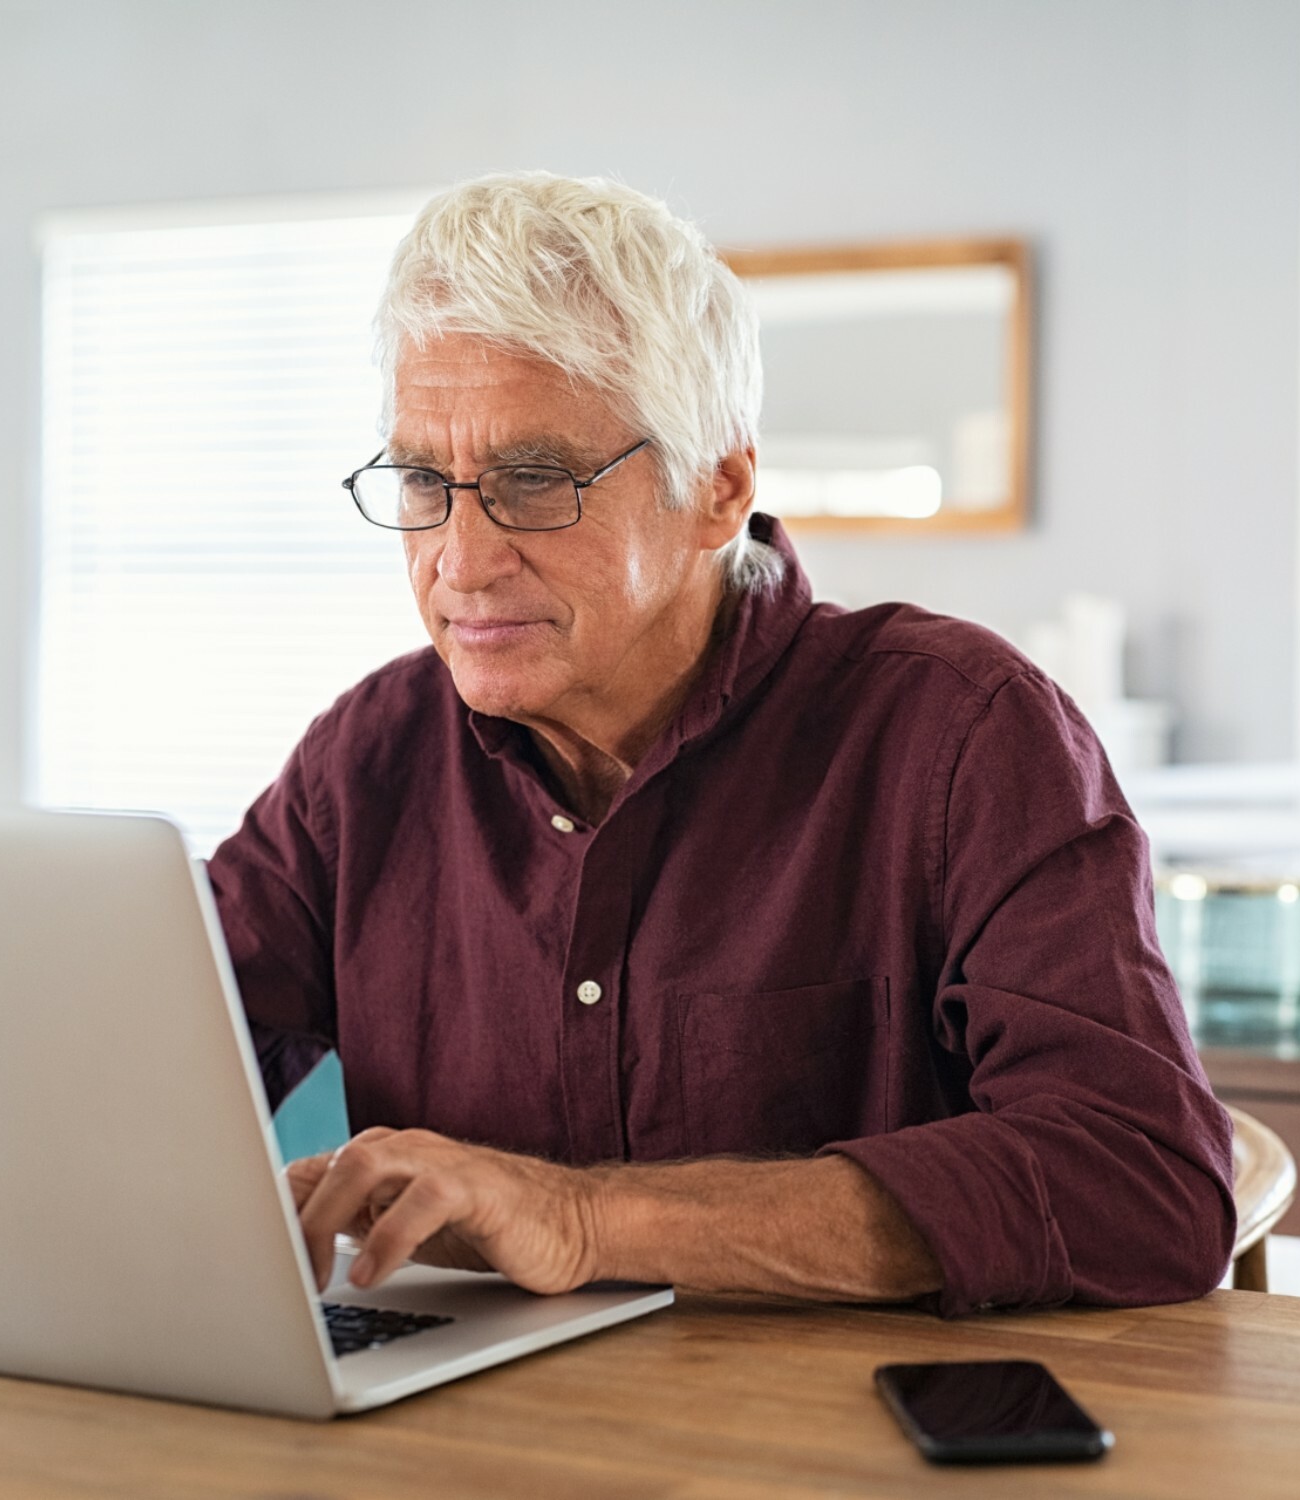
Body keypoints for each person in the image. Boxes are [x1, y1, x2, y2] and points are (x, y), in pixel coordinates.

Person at [209, 172, 1235, 1317]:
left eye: (533, 482)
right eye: (421, 481)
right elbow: (152, 1045)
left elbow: (1143, 1181)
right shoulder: (369, 759)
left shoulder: (962, 736)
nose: (459, 561)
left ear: (717, 487)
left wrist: (582, 1219)